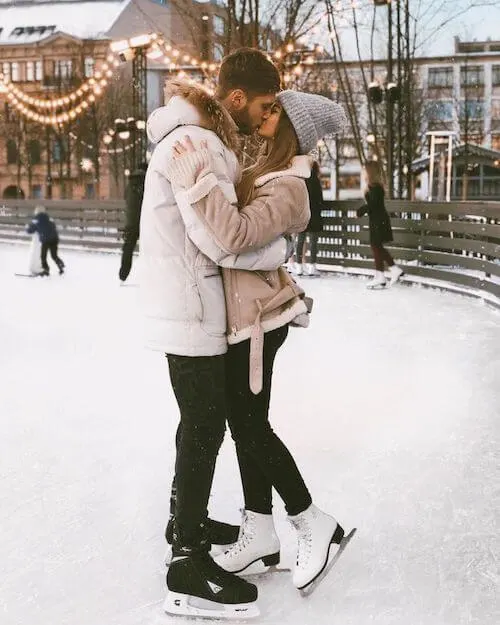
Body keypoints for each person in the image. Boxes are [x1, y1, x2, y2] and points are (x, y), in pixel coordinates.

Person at [166, 89, 350, 594]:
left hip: (261, 323)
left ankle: (311, 520)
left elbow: (237, 234)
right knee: (246, 423)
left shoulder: (290, 185)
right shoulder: (262, 169)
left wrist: (197, 184)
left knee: (248, 424)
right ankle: (261, 530)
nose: (263, 115)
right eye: (266, 107)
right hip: (245, 319)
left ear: (293, 126)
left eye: (275, 112)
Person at [139, 49, 288, 619]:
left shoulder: (197, 137)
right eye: (263, 105)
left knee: (199, 421)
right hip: (191, 304)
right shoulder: (196, 144)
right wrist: (281, 251)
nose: (263, 116)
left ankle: (188, 521)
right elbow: (222, 239)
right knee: (205, 425)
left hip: (189, 302)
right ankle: (186, 564)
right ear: (234, 99)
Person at [357, 161, 403, 288]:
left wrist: (360, 211)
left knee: (376, 247)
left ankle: (384, 274)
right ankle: (384, 274)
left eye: (364, 170)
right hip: (377, 221)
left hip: (379, 221)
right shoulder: (373, 186)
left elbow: (373, 205)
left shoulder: (376, 187)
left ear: (370, 172)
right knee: (376, 247)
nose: (363, 173)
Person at [293, 160, 325, 277]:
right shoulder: (315, 181)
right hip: (314, 215)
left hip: (303, 214)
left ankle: (299, 267)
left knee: (300, 241)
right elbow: (320, 200)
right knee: (313, 242)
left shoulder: (301, 180)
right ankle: (312, 266)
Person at [119, 161, 147, 282]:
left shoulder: (130, 183)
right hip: (144, 222)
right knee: (149, 248)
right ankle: (148, 275)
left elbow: (126, 199)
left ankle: (123, 274)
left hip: (131, 222)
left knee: (128, 248)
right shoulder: (147, 182)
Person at [26, 205, 64, 276]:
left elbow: (30, 230)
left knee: (43, 256)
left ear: (36, 212)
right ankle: (60, 265)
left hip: (46, 240)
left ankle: (46, 270)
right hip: (54, 239)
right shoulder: (49, 218)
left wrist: (28, 228)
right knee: (54, 255)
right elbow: (53, 226)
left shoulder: (36, 220)